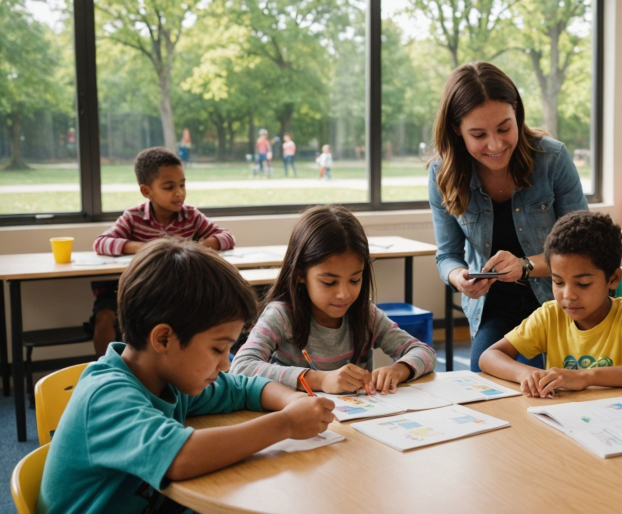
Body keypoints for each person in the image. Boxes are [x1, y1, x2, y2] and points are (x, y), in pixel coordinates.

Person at [39, 239, 335, 514]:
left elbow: (241, 388)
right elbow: (180, 458)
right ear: (164, 339)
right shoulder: (106, 396)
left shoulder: (166, 377)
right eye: (218, 349)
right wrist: (286, 423)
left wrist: (292, 400)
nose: (226, 364)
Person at [428, 61, 588, 372]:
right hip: (494, 307)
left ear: (517, 112)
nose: (496, 144)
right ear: (456, 131)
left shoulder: (552, 160)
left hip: (558, 302)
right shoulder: (442, 173)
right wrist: (458, 277)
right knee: (484, 379)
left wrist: (526, 266)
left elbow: (583, 249)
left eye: (504, 128)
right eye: (478, 134)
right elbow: (447, 255)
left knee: (542, 384)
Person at [231, 205, 437, 394]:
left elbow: (424, 351)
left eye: (355, 280)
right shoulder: (282, 316)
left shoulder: (366, 315)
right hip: (301, 425)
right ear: (300, 273)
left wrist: (399, 370)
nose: (344, 294)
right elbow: (241, 366)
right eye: (329, 282)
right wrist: (320, 380)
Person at [479, 211, 622, 396]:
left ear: (613, 279)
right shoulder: (550, 315)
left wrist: (586, 376)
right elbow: (489, 356)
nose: (568, 295)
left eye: (583, 284)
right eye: (558, 282)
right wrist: (526, 374)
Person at [91, 147, 235, 356]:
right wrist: (142, 248)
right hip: (135, 289)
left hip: (174, 291)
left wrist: (197, 247)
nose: (179, 193)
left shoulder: (190, 215)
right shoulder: (133, 217)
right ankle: (107, 370)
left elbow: (227, 237)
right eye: (169, 187)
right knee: (104, 318)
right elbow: (102, 242)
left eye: (182, 185)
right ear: (146, 191)